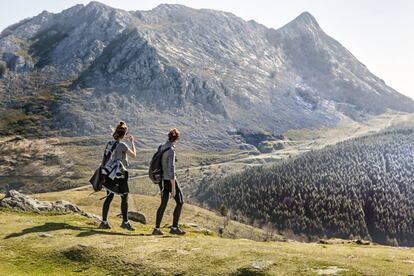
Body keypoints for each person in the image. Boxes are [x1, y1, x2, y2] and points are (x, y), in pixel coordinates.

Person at [98, 121, 137, 231]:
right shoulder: (123, 145)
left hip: (109, 174)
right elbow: (134, 155)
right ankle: (125, 222)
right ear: (124, 134)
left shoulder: (109, 143)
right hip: (120, 174)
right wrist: (132, 142)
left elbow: (105, 158)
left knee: (109, 196)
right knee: (124, 197)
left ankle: (104, 222)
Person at [153, 128, 186, 235]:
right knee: (180, 202)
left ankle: (157, 229)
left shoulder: (162, 147)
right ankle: (174, 228)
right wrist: (173, 188)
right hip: (169, 180)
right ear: (176, 139)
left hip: (161, 180)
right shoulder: (171, 151)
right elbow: (171, 169)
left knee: (163, 204)